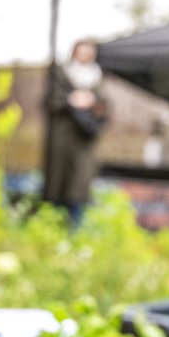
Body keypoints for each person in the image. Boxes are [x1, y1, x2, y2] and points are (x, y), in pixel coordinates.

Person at [43, 39, 109, 218]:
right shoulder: (61, 74)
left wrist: (91, 101)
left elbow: (105, 108)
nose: (86, 55)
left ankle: (74, 228)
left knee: (78, 185)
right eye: (82, 51)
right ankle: (52, 224)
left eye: (89, 51)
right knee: (57, 181)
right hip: (62, 137)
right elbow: (49, 101)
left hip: (84, 140)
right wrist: (71, 100)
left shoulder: (98, 78)